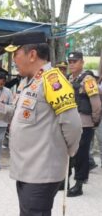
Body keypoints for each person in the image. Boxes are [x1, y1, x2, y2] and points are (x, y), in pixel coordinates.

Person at [0, 31, 82, 216]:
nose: (13, 60)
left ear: (32, 54)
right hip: (28, 170)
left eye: (15, 54)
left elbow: (73, 125)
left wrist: (66, 152)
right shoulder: (29, 82)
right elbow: (17, 115)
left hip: (42, 171)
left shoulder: (53, 80)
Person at [67, 51, 101, 197]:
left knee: (81, 155)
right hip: (70, 123)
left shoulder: (88, 80)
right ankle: (64, 181)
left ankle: (79, 184)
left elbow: (96, 103)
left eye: (75, 61)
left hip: (84, 123)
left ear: (82, 63)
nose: (72, 64)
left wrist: (94, 120)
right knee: (68, 153)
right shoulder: (69, 78)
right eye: (70, 61)